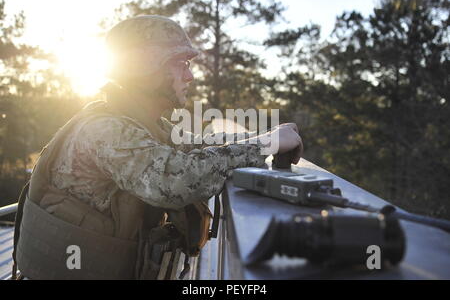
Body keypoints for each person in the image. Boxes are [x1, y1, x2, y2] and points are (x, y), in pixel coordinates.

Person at [12, 15, 303, 280]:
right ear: (147, 66)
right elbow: (176, 180)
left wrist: (268, 137)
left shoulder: (141, 123)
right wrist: (268, 143)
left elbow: (199, 145)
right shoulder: (106, 130)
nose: (190, 76)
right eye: (182, 63)